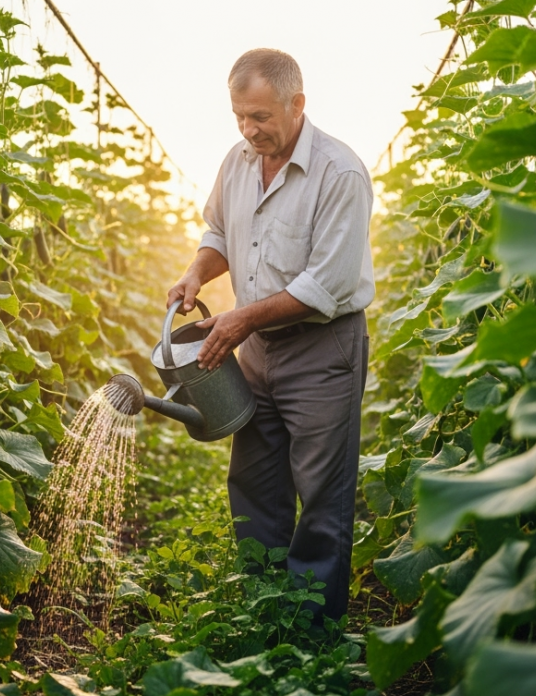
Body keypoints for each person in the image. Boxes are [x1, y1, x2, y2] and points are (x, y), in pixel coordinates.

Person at [166, 48, 375, 624]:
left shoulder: (340, 173)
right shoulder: (236, 162)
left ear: (297, 104)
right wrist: (196, 272)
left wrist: (239, 321)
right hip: (256, 346)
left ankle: (311, 629)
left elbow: (325, 286)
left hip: (321, 348)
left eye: (260, 117)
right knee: (255, 480)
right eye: (239, 117)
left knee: (322, 495)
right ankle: (262, 607)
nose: (248, 130)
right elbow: (218, 231)